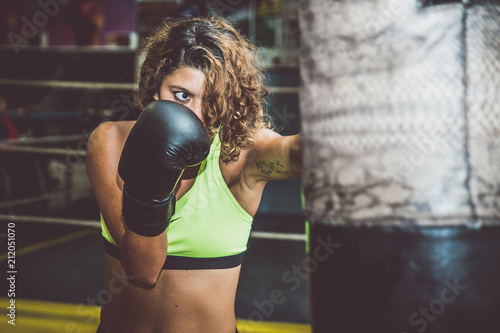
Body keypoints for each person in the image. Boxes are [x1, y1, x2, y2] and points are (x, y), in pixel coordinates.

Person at [86, 16, 302, 333]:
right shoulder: (111, 142)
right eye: (182, 94)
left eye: (212, 99)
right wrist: (155, 168)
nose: (197, 116)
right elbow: (143, 269)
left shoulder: (242, 153)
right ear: (155, 87)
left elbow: (298, 153)